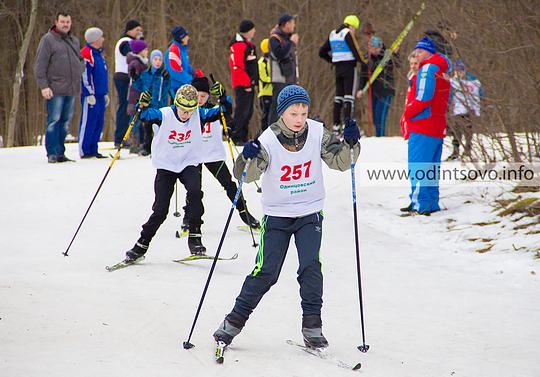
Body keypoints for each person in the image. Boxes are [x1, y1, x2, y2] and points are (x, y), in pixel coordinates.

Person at [213, 85, 361, 350]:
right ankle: (233, 322)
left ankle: (312, 326)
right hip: (278, 216)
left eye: (304, 112)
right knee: (266, 272)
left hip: (309, 212)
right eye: (294, 113)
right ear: (282, 114)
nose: (300, 119)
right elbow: (246, 176)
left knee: (310, 267)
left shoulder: (317, 132)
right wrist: (246, 158)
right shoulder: (268, 140)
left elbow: (341, 162)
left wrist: (351, 143)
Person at [122, 85, 206, 260]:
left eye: (190, 111)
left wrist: (223, 99)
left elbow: (221, 111)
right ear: (176, 105)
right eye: (183, 110)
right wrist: (142, 106)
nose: (186, 115)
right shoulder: (165, 114)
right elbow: (145, 116)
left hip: (187, 163)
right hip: (166, 166)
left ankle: (195, 236)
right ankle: (141, 245)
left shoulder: (197, 114)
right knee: (160, 210)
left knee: (196, 193)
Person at [181, 76, 260, 231]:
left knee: (229, 185)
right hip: (194, 156)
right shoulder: (186, 111)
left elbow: (227, 111)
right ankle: (188, 218)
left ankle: (245, 214)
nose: (200, 99)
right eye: (197, 96)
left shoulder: (213, 110)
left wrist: (223, 97)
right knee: (194, 189)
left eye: (203, 96)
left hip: (212, 155)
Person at [401, 37, 451, 215]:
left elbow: (423, 98)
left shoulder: (427, 69)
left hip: (422, 125)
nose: (417, 55)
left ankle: (419, 204)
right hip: (437, 126)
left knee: (418, 166)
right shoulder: (442, 70)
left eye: (420, 51)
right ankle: (431, 202)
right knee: (431, 167)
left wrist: (407, 113)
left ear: (429, 52)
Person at [34, 12, 84, 163]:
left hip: (71, 88)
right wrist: (43, 86)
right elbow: (39, 65)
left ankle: (61, 152)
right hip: (54, 89)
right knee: (53, 121)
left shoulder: (73, 40)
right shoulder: (48, 40)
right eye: (62, 21)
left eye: (68, 22)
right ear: (56, 22)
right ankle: (52, 153)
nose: (65, 24)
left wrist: (80, 68)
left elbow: (80, 60)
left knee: (65, 122)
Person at [319, 15, 365, 136]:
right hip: (349, 68)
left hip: (338, 69)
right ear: (352, 26)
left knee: (338, 97)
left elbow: (322, 52)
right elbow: (356, 51)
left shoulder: (333, 34)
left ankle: (336, 126)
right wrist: (365, 62)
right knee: (349, 97)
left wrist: (333, 60)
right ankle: (347, 125)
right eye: (355, 28)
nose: (354, 31)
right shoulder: (347, 33)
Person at [357, 36, 399, 137]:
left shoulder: (387, 55)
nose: (374, 51)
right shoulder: (367, 57)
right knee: (375, 117)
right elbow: (363, 75)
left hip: (386, 91)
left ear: (380, 47)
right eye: (372, 48)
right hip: (373, 91)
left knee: (381, 116)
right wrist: (360, 89)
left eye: (376, 48)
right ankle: (378, 136)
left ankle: (381, 137)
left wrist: (396, 54)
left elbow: (397, 64)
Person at [132, 49, 170, 156]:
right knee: (147, 127)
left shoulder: (164, 74)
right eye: (155, 59)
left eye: (159, 60)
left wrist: (167, 79)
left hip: (160, 105)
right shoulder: (146, 74)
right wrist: (135, 78)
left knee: (160, 128)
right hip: (148, 105)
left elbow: (167, 88)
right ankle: (146, 147)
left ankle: (160, 148)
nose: (157, 62)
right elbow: (140, 86)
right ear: (151, 61)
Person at [79, 27, 109, 159]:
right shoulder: (87, 53)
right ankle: (85, 150)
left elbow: (101, 75)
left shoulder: (99, 54)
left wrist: (105, 92)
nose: (103, 39)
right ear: (95, 39)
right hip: (91, 95)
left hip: (100, 94)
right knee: (88, 122)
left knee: (98, 122)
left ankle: (93, 148)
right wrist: (88, 93)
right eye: (101, 37)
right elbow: (85, 74)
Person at [113, 19, 143, 147]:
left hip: (127, 77)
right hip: (123, 77)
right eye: (137, 30)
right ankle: (119, 138)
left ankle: (122, 137)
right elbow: (131, 52)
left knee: (126, 107)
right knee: (124, 107)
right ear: (129, 30)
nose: (139, 32)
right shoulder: (124, 42)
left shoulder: (129, 41)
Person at [229, 20, 258, 145]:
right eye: (252, 29)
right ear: (247, 31)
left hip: (249, 84)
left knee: (249, 111)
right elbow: (238, 67)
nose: (254, 31)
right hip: (242, 84)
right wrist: (246, 83)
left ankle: (244, 135)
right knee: (242, 110)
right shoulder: (238, 45)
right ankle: (237, 136)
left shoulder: (248, 45)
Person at [267, 13, 299, 125]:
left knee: (288, 106)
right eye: (292, 22)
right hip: (279, 78)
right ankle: (271, 131)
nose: (294, 25)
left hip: (289, 78)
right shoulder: (274, 38)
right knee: (277, 105)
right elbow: (280, 54)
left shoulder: (286, 38)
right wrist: (291, 42)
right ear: (287, 24)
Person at [447, 59, 482, 160]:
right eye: (457, 70)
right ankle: (456, 151)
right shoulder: (454, 81)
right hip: (457, 110)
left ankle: (467, 150)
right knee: (456, 131)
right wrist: (449, 105)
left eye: (461, 70)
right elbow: (450, 94)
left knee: (468, 131)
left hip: (469, 110)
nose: (459, 73)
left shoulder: (472, 81)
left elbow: (479, 92)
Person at [165, 26, 202, 99]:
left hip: (183, 86)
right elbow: (175, 72)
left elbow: (186, 67)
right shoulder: (173, 51)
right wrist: (191, 80)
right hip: (177, 88)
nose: (188, 38)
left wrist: (194, 73)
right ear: (181, 38)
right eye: (185, 36)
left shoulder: (182, 49)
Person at [126, 39, 149, 153]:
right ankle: (133, 143)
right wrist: (134, 74)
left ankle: (139, 142)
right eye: (145, 49)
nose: (147, 51)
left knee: (140, 120)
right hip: (135, 96)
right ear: (139, 51)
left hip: (140, 95)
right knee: (135, 120)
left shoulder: (142, 61)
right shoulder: (136, 62)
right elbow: (132, 73)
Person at [400, 51, 419, 140]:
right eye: (411, 63)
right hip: (409, 112)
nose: (413, 66)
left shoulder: (421, 79)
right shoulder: (411, 77)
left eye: (415, 63)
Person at [257, 38, 273, 132]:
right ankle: (264, 132)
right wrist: (274, 80)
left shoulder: (273, 61)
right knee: (266, 114)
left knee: (273, 114)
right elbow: (263, 77)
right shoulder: (262, 62)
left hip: (273, 92)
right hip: (265, 93)